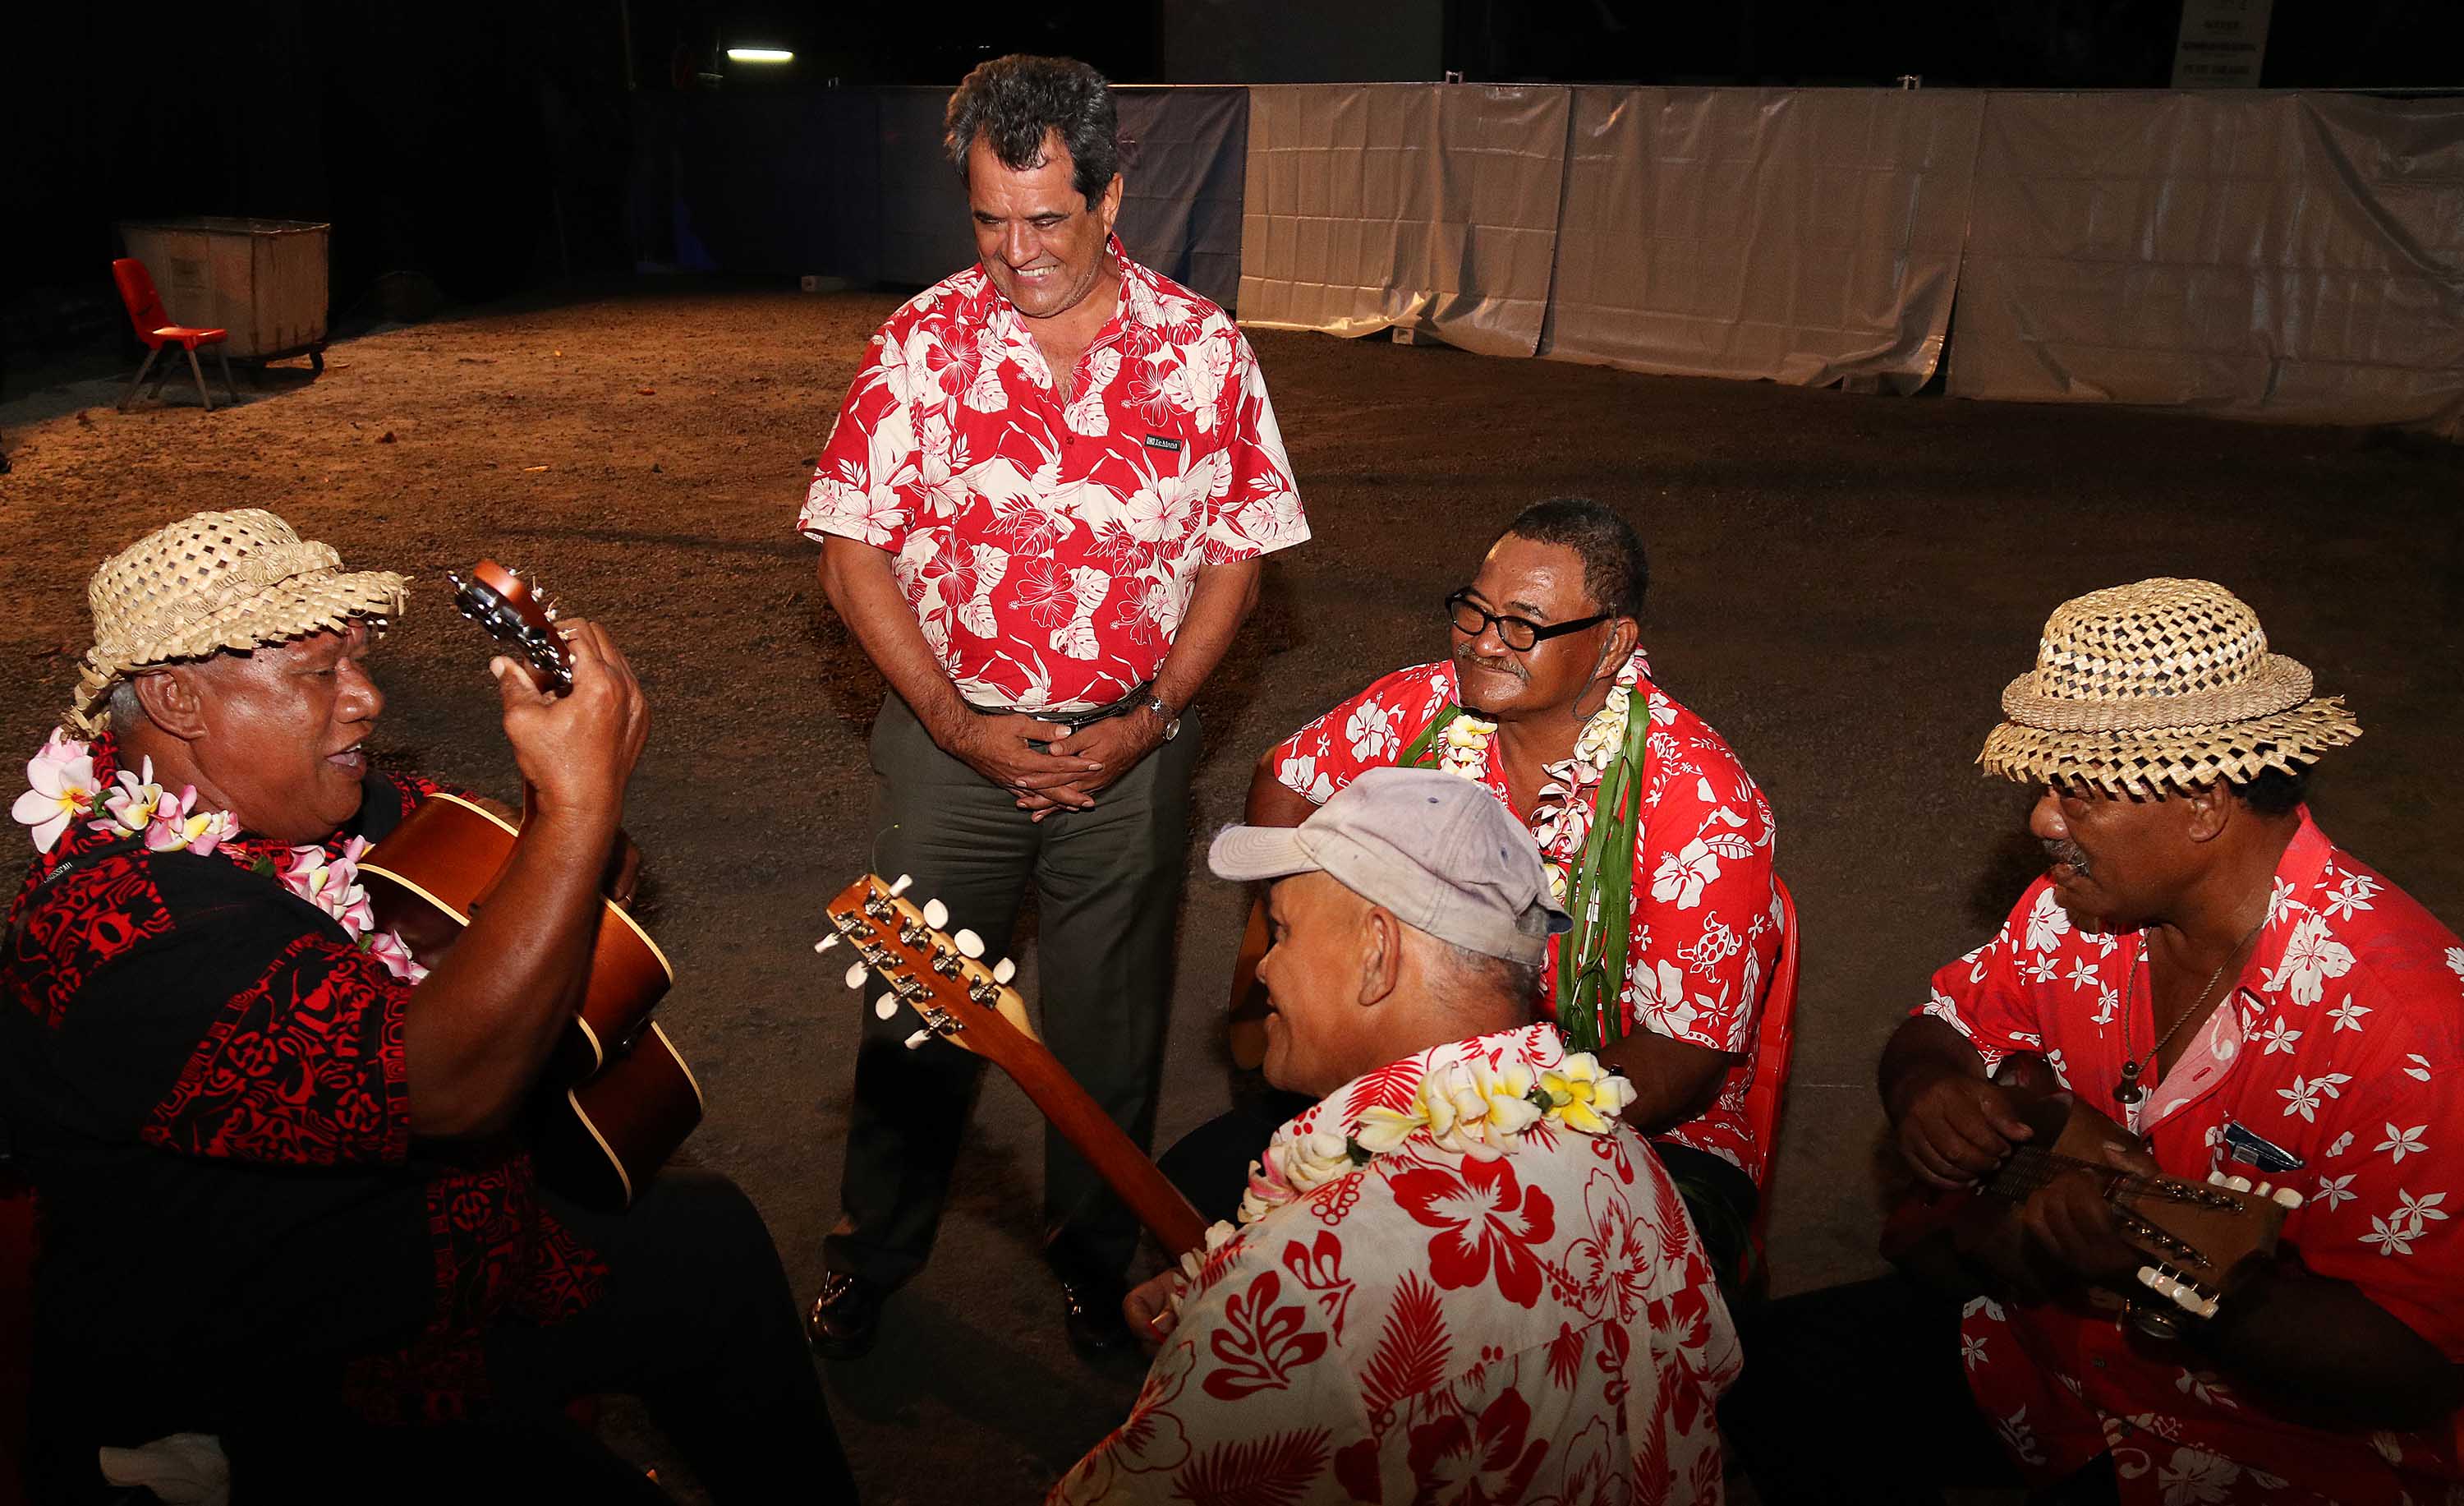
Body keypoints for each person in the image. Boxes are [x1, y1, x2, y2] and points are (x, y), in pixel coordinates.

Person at [0, 509, 851, 1504]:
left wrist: (568, 818)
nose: (366, 700)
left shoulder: (328, 806)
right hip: (278, 1377)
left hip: (429, 1255)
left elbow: (542, 884)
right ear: (177, 697)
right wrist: (578, 807)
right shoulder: (116, 929)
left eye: (357, 662)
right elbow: (445, 1090)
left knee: (705, 1241)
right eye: (317, 674)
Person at [1724, 578, 2464, 1505]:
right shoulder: (2074, 911)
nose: (2041, 819)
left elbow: (2419, 1364)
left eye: (2076, 791)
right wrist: (1928, 1088)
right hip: (2035, 1369)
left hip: (2263, 1450)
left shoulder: (2409, 1028)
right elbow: (1946, 1026)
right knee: (1749, 1380)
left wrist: (2160, 1265)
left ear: (2203, 800)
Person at [798, 53, 1307, 1357]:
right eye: (988, 220)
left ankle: (1092, 1259)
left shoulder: (1202, 348)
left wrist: (1153, 719)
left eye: (1045, 219)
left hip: (1131, 747)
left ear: (1111, 195)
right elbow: (851, 553)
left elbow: (1237, 558)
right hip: (950, 743)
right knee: (916, 1008)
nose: (1015, 253)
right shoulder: (919, 343)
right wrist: (954, 724)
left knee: (1108, 1027)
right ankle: (874, 1251)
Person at [1051, 767, 1740, 1504]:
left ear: (1377, 952)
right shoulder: (1626, 1163)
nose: (1264, 968)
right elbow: (1707, 1373)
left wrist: (1239, 1319)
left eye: (1281, 930)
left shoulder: (1296, 1292)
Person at [1211, 497, 1778, 1289]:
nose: (1482, 642)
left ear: (1613, 643)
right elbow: (1286, 774)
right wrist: (1299, 928)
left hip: (1647, 1136)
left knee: (1441, 1282)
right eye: (1474, 610)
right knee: (1204, 1193)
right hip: (1401, 1077)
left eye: (1522, 625)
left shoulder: (1703, 803)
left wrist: (1477, 1135)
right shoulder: (1426, 703)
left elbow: (1682, 1055)